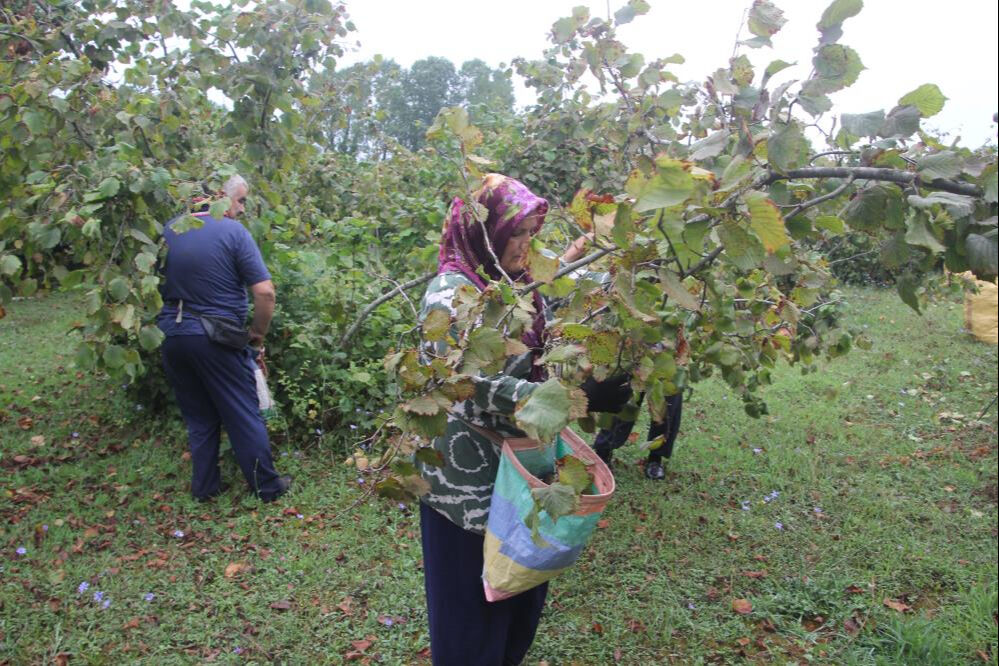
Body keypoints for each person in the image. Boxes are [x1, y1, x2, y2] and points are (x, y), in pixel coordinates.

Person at [414, 174, 629, 666]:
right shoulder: (450, 292)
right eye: (516, 232)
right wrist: (564, 400)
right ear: (483, 231)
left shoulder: (518, 285)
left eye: (531, 232)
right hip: (465, 491)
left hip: (523, 478)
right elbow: (465, 380)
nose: (526, 244)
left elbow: (543, 352)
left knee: (518, 602)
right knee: (469, 620)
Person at [156, 174, 291, 502]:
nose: (242, 209)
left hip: (172, 335)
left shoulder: (169, 230)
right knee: (242, 411)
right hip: (215, 337)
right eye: (240, 200)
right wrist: (257, 335)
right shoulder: (232, 231)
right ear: (219, 196)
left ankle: (205, 488)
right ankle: (267, 487)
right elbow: (265, 293)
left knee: (199, 416)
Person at [560, 233, 684, 481]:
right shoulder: (603, 282)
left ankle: (656, 457)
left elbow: (679, 330)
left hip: (659, 356)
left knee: (670, 395)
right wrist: (587, 239)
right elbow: (563, 271)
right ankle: (604, 449)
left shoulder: (670, 292)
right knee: (619, 391)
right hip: (620, 357)